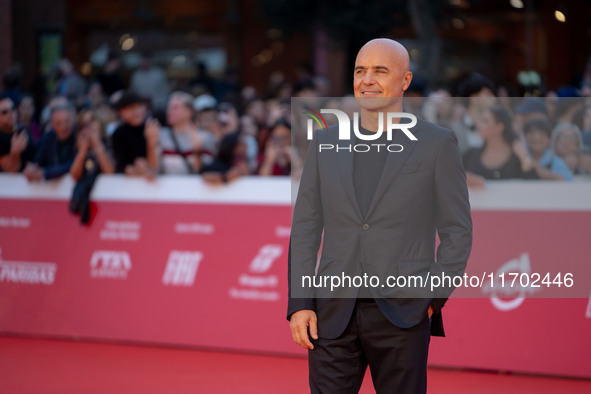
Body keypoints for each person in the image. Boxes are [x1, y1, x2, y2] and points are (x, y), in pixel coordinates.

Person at [287, 38, 473, 393]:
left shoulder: (437, 143)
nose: (367, 80)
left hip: (403, 313)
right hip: (330, 312)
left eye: (380, 70)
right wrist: (300, 303)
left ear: (404, 80)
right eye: (360, 71)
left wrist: (431, 298)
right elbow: (306, 228)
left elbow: (457, 231)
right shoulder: (325, 143)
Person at [463, 105, 539, 187]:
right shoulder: (471, 154)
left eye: (485, 121)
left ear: (499, 127)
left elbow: (534, 186)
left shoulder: (517, 155)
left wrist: (525, 158)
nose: (478, 124)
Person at [110, 92, 160, 179]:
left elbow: (156, 166)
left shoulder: (152, 126)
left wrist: (151, 142)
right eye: (130, 108)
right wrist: (137, 170)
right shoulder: (118, 134)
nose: (136, 111)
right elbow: (121, 165)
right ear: (121, 112)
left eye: (139, 106)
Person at [24, 103, 76, 181]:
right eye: (58, 123)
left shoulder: (78, 136)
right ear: (52, 124)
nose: (63, 127)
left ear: (73, 120)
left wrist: (45, 172)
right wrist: (32, 168)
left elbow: (72, 164)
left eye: (66, 121)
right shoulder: (48, 138)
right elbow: (38, 160)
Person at [0, 95, 35, 172]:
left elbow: (35, 158)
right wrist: (15, 153)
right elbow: (11, 170)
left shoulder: (23, 130)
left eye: (12, 109)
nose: (10, 113)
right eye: (4, 112)